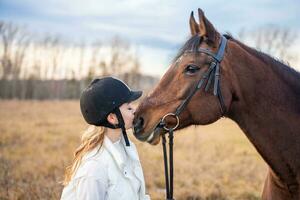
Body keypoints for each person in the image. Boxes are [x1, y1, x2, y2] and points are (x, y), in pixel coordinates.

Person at [60, 76, 150, 200]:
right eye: (129, 108)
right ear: (112, 118)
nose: (134, 110)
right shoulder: (93, 169)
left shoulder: (127, 147)